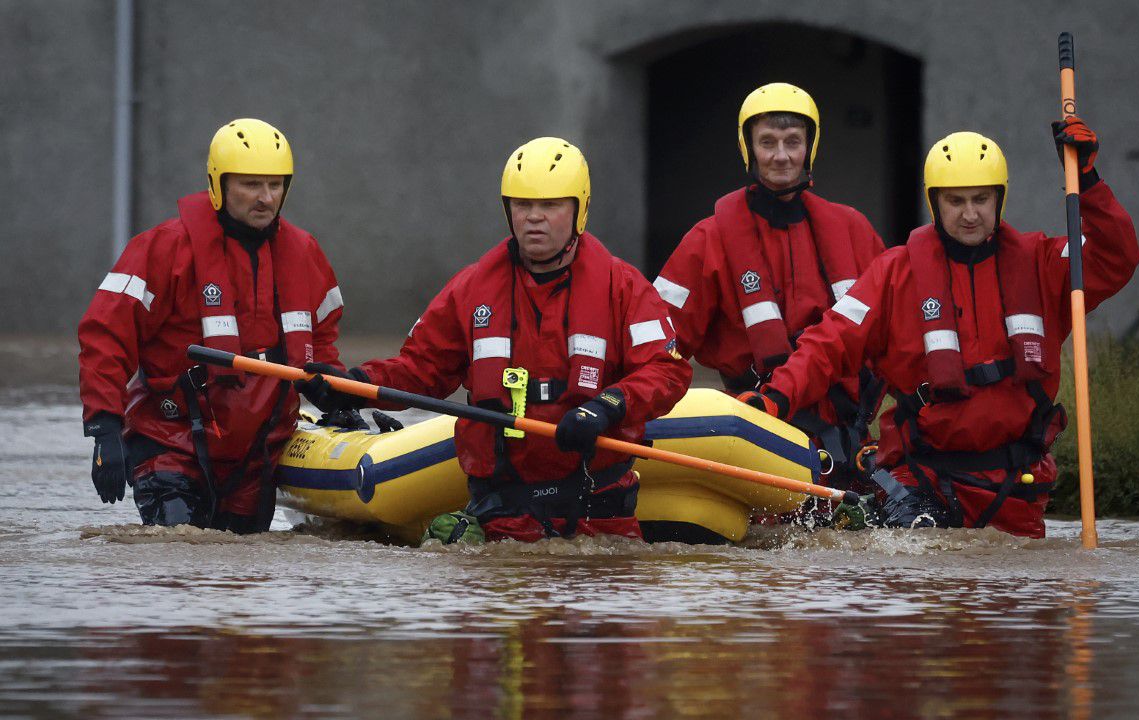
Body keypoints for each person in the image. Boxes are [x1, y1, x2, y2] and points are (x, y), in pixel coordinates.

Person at [739, 118, 1139, 537]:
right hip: (924, 479)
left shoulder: (1043, 263)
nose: (970, 214)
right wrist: (773, 400)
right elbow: (829, 342)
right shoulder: (895, 274)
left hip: (1014, 486)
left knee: (1019, 593)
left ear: (999, 199)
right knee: (915, 559)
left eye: (981, 199)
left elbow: (1117, 255)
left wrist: (1088, 180)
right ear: (935, 203)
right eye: (955, 201)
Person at [301, 137, 691, 542]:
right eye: (523, 206)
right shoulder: (472, 289)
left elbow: (667, 370)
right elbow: (421, 369)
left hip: (599, 512)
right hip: (504, 516)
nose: (534, 218)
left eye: (550, 206)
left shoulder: (623, 287)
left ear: (579, 209)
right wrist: (352, 386)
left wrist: (605, 407)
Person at [78, 118, 345, 533]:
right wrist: (104, 428)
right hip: (170, 443)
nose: (265, 198)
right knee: (183, 564)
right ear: (218, 184)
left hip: (255, 456)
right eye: (251, 185)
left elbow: (323, 334)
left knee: (242, 580)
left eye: (275, 185)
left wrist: (333, 389)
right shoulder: (164, 248)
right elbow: (106, 334)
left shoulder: (304, 253)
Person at [653, 83, 886, 486]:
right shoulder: (708, 240)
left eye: (793, 142)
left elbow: (897, 343)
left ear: (810, 147)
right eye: (768, 142)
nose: (781, 156)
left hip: (848, 439)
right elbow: (656, 345)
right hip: (757, 433)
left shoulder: (853, 230)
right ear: (749, 148)